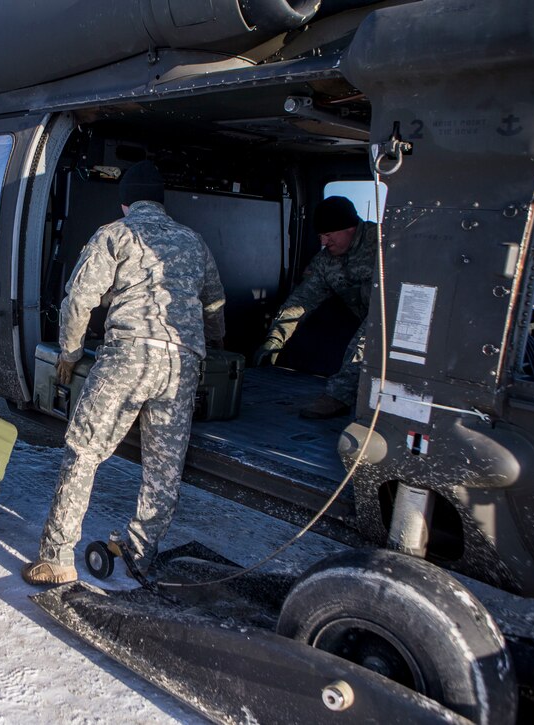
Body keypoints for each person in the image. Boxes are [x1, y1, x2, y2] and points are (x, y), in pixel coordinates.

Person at [22, 161, 226, 585]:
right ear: (162, 201)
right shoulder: (193, 240)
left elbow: (80, 298)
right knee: (163, 469)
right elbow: (214, 305)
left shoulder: (116, 234)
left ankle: (57, 558)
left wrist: (70, 350)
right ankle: (140, 551)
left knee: (85, 452)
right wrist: (213, 342)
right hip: (181, 364)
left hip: (128, 357)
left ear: (125, 201)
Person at [252, 196, 378, 419]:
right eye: (320, 235)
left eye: (329, 235)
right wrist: (275, 339)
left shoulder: (384, 244)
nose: (323, 242)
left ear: (350, 227)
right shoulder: (325, 261)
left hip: (394, 320)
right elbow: (301, 301)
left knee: (375, 328)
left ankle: (338, 397)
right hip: (368, 322)